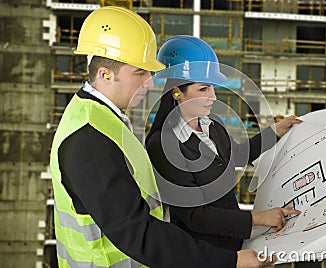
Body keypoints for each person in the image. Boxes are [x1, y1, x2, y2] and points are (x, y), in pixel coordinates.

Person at [49, 7, 274, 268]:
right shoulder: (90, 140)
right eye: (140, 73)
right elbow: (138, 232)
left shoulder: (102, 118)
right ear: (105, 75)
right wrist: (229, 261)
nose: (151, 82)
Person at [146, 35, 302, 252]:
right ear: (177, 93)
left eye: (212, 88)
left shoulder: (213, 124)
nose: (212, 96)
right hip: (200, 254)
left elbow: (237, 155)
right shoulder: (162, 145)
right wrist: (259, 219)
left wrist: (275, 131)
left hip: (231, 244)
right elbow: (195, 216)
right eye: (203, 89)